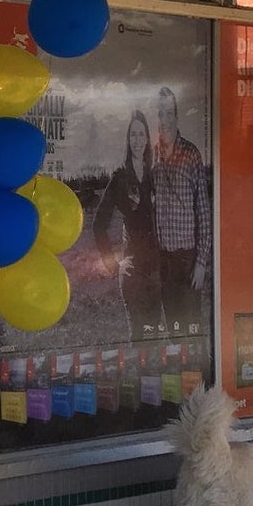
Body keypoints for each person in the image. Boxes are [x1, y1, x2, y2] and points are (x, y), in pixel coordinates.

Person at [92, 110, 164, 341]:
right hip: (133, 273)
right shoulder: (120, 177)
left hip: (156, 272)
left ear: (147, 138)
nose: (137, 140)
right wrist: (114, 264)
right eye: (133, 134)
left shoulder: (155, 176)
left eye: (141, 134)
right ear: (128, 139)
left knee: (153, 337)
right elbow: (98, 225)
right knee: (139, 338)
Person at [152, 87, 211, 337]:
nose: (164, 120)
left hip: (187, 259)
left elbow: (204, 214)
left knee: (191, 326)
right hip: (163, 259)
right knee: (174, 329)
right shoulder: (154, 155)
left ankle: (196, 376)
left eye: (169, 114)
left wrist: (200, 264)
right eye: (160, 114)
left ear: (176, 117)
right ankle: (177, 374)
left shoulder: (190, 153)